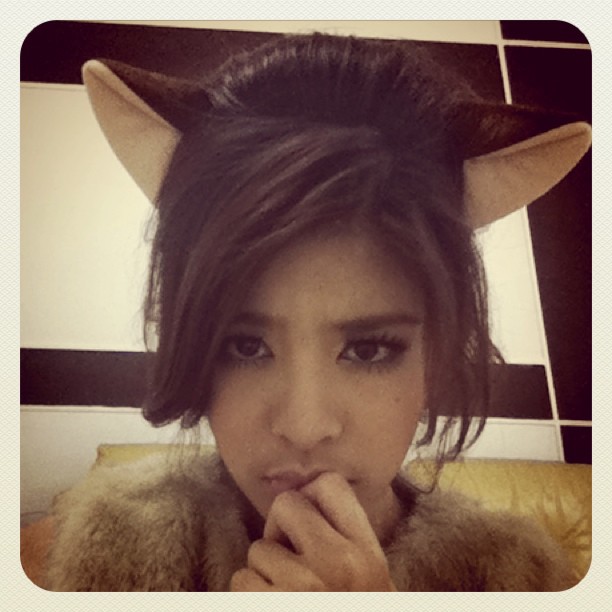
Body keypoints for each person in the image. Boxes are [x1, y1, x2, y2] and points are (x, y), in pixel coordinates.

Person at [38, 33, 590, 591]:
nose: (304, 427)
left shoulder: (518, 578)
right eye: (246, 346)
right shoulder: (107, 550)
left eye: (368, 350)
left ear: (438, 354)